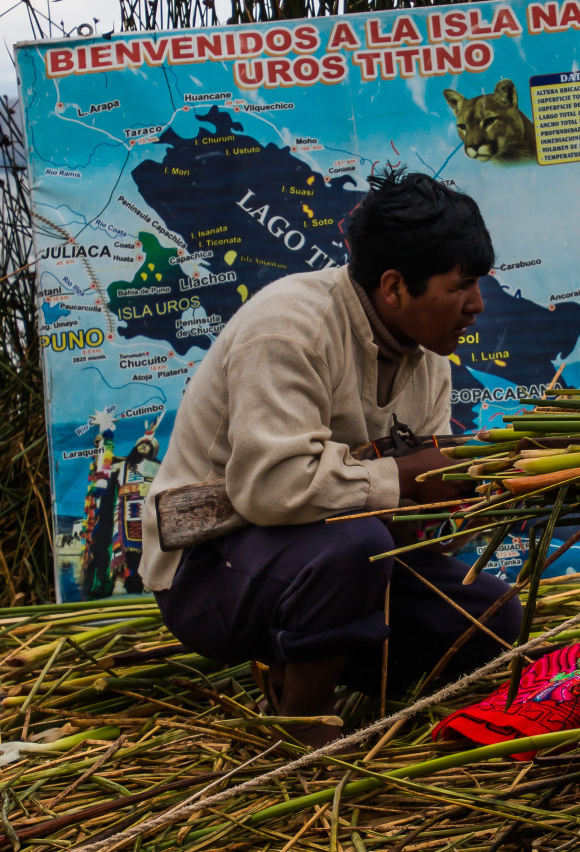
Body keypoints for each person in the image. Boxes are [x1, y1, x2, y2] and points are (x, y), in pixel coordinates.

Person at [140, 171, 522, 746]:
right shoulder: (287, 329)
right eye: (462, 285)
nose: (476, 305)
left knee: (494, 617)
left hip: (330, 563)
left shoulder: (429, 360)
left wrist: (468, 497)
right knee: (358, 546)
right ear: (394, 288)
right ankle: (301, 728)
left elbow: (412, 518)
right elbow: (273, 486)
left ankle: (311, 663)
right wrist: (405, 475)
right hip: (208, 572)